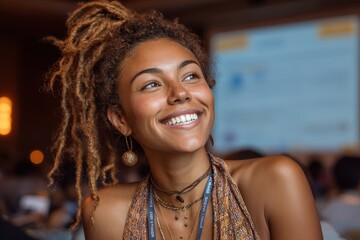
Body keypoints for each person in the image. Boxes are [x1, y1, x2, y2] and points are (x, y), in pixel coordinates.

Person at [45, 0, 323, 239]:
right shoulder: (104, 212)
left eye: (191, 76)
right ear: (121, 119)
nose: (180, 93)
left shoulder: (275, 180)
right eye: (151, 84)